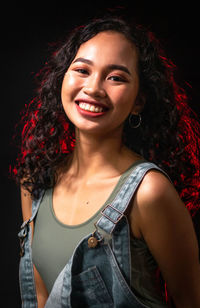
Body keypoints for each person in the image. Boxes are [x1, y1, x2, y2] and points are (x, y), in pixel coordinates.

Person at [14, 16, 200, 308]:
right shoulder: (34, 182)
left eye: (116, 77)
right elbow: (40, 298)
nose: (94, 88)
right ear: (63, 78)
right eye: (82, 70)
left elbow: (190, 301)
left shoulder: (149, 192)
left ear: (139, 100)